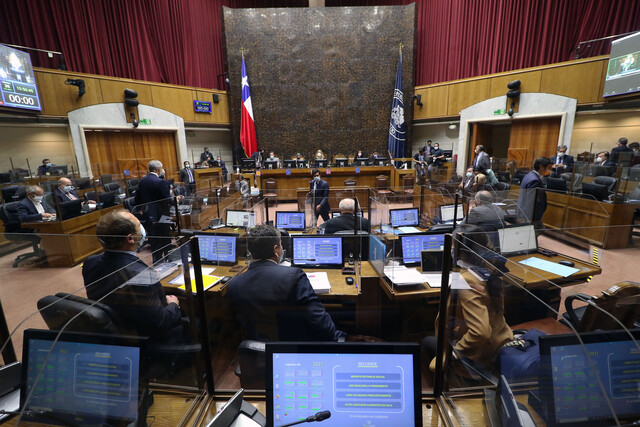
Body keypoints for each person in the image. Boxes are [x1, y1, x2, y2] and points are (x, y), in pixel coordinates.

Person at [226, 224, 345, 342]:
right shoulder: (294, 277)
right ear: (276, 250)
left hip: (257, 348)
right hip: (294, 348)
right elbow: (320, 324)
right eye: (281, 245)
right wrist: (338, 335)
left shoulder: (234, 284)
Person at [83, 210, 185, 343]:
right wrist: (173, 305)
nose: (142, 229)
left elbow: (118, 281)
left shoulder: (90, 262)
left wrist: (147, 277)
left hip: (114, 331)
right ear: (130, 238)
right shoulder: (142, 274)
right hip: (143, 338)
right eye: (138, 226)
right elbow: (160, 322)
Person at [425, 225, 512, 374]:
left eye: (453, 244)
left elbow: (480, 333)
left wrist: (455, 354)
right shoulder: (491, 269)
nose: (451, 248)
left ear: (460, 250)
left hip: (480, 356)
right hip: (500, 339)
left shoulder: (465, 281)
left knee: (426, 342)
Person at [135, 160, 172, 263]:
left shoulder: (142, 181)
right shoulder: (161, 182)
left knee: (154, 236)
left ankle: (157, 260)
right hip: (163, 214)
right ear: (159, 169)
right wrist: (176, 200)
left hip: (149, 214)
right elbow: (167, 199)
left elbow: (137, 197)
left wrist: (140, 209)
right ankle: (169, 258)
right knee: (165, 235)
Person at [517, 157, 551, 227]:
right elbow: (530, 200)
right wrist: (529, 218)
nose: (546, 170)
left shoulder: (529, 175)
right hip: (531, 214)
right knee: (533, 233)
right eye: (546, 168)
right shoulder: (535, 180)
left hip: (525, 212)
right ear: (541, 167)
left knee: (540, 229)